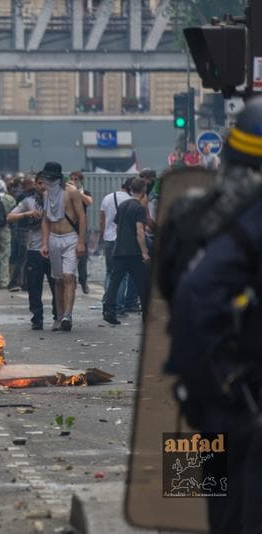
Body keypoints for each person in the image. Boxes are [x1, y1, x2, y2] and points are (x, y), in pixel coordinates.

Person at [163, 96, 262, 532]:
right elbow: (195, 292)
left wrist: (201, 386)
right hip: (245, 397)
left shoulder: (193, 212)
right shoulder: (254, 213)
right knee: (244, 510)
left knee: (209, 508)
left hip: (199, 397)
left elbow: (170, 292)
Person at [39, 161, 87, 332]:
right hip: (53, 239)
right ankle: (59, 317)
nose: (46, 181)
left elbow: (81, 217)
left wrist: (81, 242)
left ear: (57, 177)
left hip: (70, 238)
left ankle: (68, 315)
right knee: (58, 280)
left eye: (49, 178)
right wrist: (44, 243)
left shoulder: (71, 192)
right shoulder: (46, 194)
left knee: (69, 277)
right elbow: (45, 220)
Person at [7, 176, 57, 330]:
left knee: (56, 287)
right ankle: (37, 319)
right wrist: (27, 214)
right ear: (35, 184)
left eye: (47, 183)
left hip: (54, 249)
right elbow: (10, 216)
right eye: (40, 183)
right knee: (34, 288)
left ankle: (58, 317)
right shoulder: (28, 202)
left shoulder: (58, 201)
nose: (43, 186)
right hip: (34, 250)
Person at [102, 178, 150, 325]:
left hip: (119, 250)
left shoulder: (123, 206)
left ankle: (108, 311)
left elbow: (116, 227)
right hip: (134, 252)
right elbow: (140, 231)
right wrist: (144, 252)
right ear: (143, 190)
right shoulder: (139, 208)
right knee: (142, 284)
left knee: (115, 282)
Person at [100, 178, 133, 315]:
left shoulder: (107, 198)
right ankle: (118, 306)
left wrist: (104, 236)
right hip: (124, 241)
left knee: (109, 272)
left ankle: (107, 303)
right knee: (123, 274)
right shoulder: (131, 201)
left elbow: (102, 219)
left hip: (108, 239)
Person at [68, 171, 93, 294]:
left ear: (81, 181)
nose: (73, 180)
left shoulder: (85, 192)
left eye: (76, 179)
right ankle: (70, 281)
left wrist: (76, 192)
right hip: (69, 227)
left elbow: (88, 202)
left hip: (81, 228)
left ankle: (83, 281)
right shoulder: (66, 192)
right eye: (72, 178)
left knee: (82, 258)